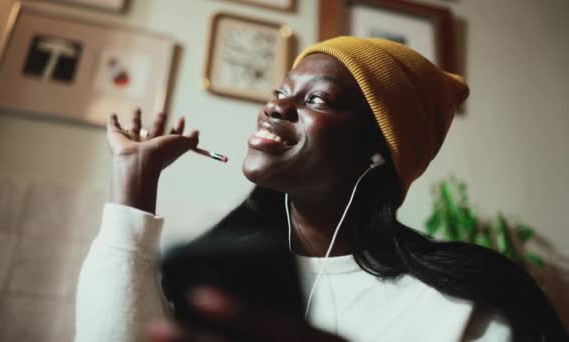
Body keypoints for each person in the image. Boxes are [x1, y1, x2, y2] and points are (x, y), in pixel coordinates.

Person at [75, 37, 567, 341]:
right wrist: (133, 183)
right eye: (279, 92)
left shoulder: (464, 305)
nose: (276, 107)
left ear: (379, 150)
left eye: (316, 99)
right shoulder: (218, 278)